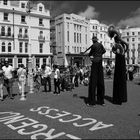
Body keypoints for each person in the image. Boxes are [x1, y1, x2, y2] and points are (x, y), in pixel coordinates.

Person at [108, 25, 128, 105]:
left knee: (118, 76)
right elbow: (125, 45)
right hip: (121, 57)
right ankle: (122, 97)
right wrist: (122, 51)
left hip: (120, 57)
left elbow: (126, 44)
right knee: (121, 76)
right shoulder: (117, 40)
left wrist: (122, 51)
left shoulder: (118, 39)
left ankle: (118, 98)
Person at [85, 36, 106, 107]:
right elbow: (104, 51)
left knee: (93, 83)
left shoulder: (93, 46)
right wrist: (99, 55)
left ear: (93, 41)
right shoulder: (100, 44)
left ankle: (92, 102)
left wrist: (93, 55)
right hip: (100, 62)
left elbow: (90, 54)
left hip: (95, 63)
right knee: (100, 82)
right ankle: (101, 101)